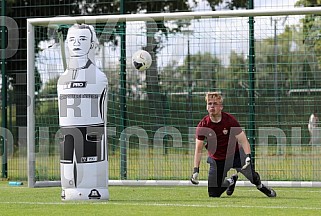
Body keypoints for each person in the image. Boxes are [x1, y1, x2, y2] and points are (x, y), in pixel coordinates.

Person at [190, 92, 276, 198]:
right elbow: (198, 150)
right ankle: (231, 181)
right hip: (217, 159)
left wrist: (248, 157)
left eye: (215, 104)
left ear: (221, 107)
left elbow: (243, 140)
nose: (212, 106)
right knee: (213, 194)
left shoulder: (230, 120)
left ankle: (261, 186)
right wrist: (195, 170)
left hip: (235, 155)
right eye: (209, 103)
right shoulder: (203, 125)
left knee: (252, 176)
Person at [57, 24, 109, 200]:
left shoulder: (99, 77)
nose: (77, 43)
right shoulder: (62, 79)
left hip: (92, 132)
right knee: (70, 168)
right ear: (67, 44)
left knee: (91, 163)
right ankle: (68, 190)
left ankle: (96, 190)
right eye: (72, 39)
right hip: (68, 131)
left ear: (93, 44)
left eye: (82, 39)